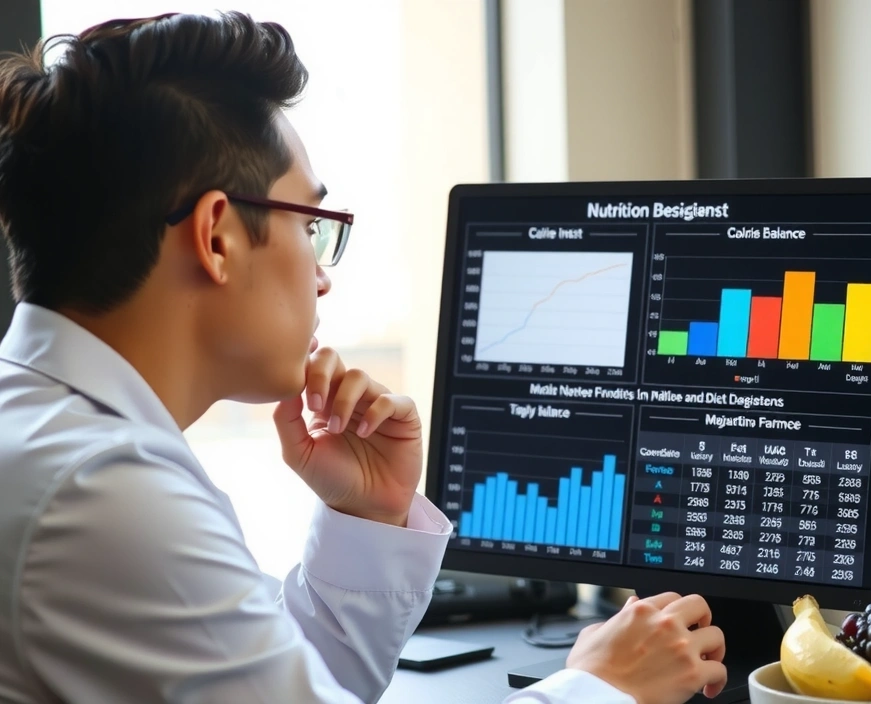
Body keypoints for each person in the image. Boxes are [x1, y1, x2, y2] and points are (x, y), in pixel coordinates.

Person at [0, 11, 728, 704]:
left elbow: (260, 680)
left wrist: (369, 514)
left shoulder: (57, 440)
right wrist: (599, 684)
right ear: (217, 236)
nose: (322, 274)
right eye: (311, 225)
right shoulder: (99, 493)